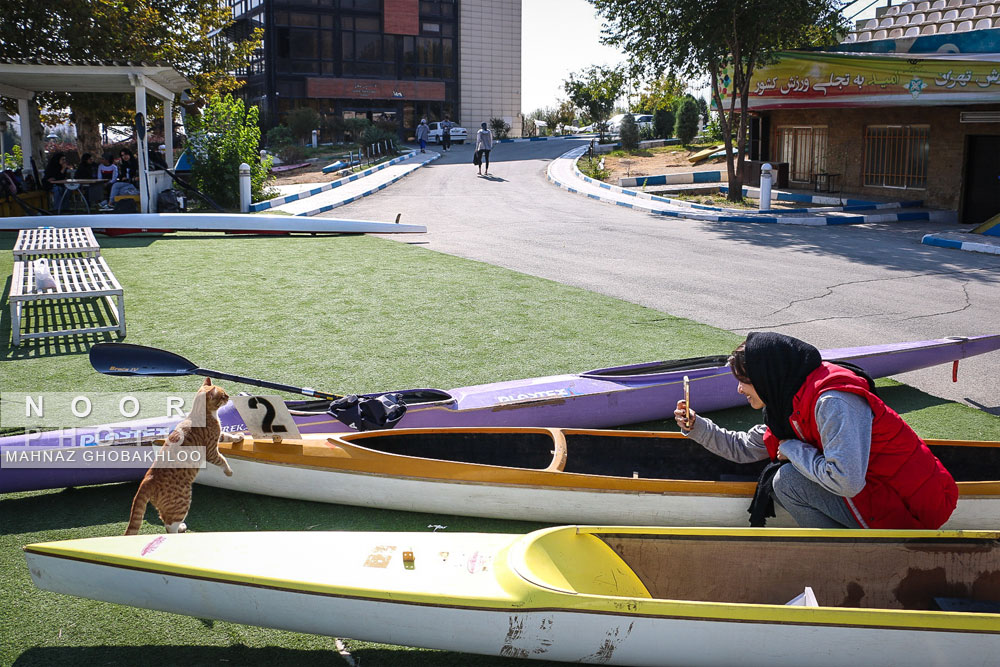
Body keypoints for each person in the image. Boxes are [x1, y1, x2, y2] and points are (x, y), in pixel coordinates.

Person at [674, 332, 958, 529]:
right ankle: (845, 550)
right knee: (786, 479)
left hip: (913, 510)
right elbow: (744, 448)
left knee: (787, 480)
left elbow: (846, 482)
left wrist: (792, 449)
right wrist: (696, 426)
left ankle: (847, 556)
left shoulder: (832, 402)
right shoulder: (787, 403)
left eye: (744, 381)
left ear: (768, 376)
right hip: (880, 495)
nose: (739, 389)